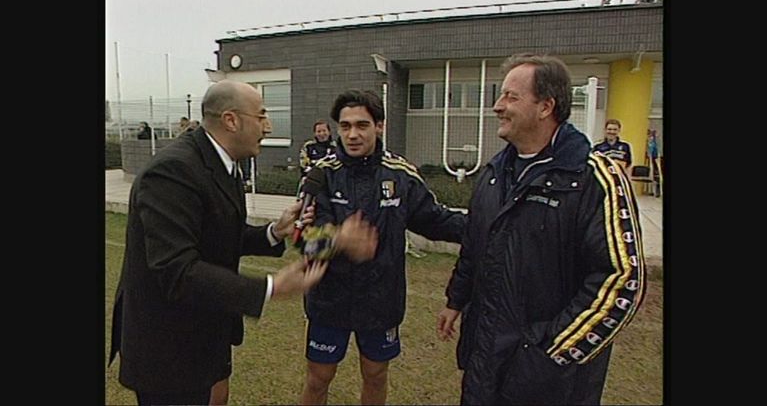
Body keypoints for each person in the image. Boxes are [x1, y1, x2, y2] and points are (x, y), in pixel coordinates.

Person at [108, 80, 378, 405]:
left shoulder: (224, 163)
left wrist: (274, 231)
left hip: (205, 327)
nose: (268, 126)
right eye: (261, 115)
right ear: (231, 120)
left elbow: (219, 235)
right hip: (168, 344)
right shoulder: (173, 171)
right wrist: (271, 287)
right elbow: (176, 270)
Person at [436, 54, 646, 405]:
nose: (497, 106)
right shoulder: (493, 173)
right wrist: (456, 300)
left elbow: (622, 281)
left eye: (511, 97)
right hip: (485, 360)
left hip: (552, 381)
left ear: (546, 107)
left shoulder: (594, 179)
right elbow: (475, 245)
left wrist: (549, 354)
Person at [298, 89, 466, 405]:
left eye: (361, 125)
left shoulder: (400, 174)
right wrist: (338, 239)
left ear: (379, 126)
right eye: (345, 126)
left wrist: (484, 228)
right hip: (329, 300)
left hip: (380, 300)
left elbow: (434, 220)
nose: (352, 134)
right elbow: (304, 241)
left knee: (375, 375)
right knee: (319, 378)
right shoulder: (321, 175)